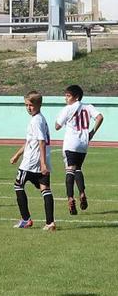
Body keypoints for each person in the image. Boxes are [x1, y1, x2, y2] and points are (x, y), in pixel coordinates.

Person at [54, 84, 104, 215]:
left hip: (71, 142)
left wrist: (60, 120)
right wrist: (92, 132)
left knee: (70, 170)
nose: (66, 98)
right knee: (78, 169)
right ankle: (82, 192)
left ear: (76, 97)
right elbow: (100, 117)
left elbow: (57, 126)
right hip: (83, 143)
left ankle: (70, 198)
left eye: (68, 96)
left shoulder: (68, 108)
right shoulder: (88, 107)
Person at [10, 91, 56, 231]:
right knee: (45, 189)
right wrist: (17, 155)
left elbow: (41, 142)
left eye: (31, 105)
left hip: (31, 162)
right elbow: (31, 140)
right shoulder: (41, 119)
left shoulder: (36, 120)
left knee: (18, 186)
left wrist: (41, 163)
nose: (28, 108)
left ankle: (26, 219)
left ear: (39, 104)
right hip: (42, 160)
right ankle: (50, 223)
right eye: (26, 105)